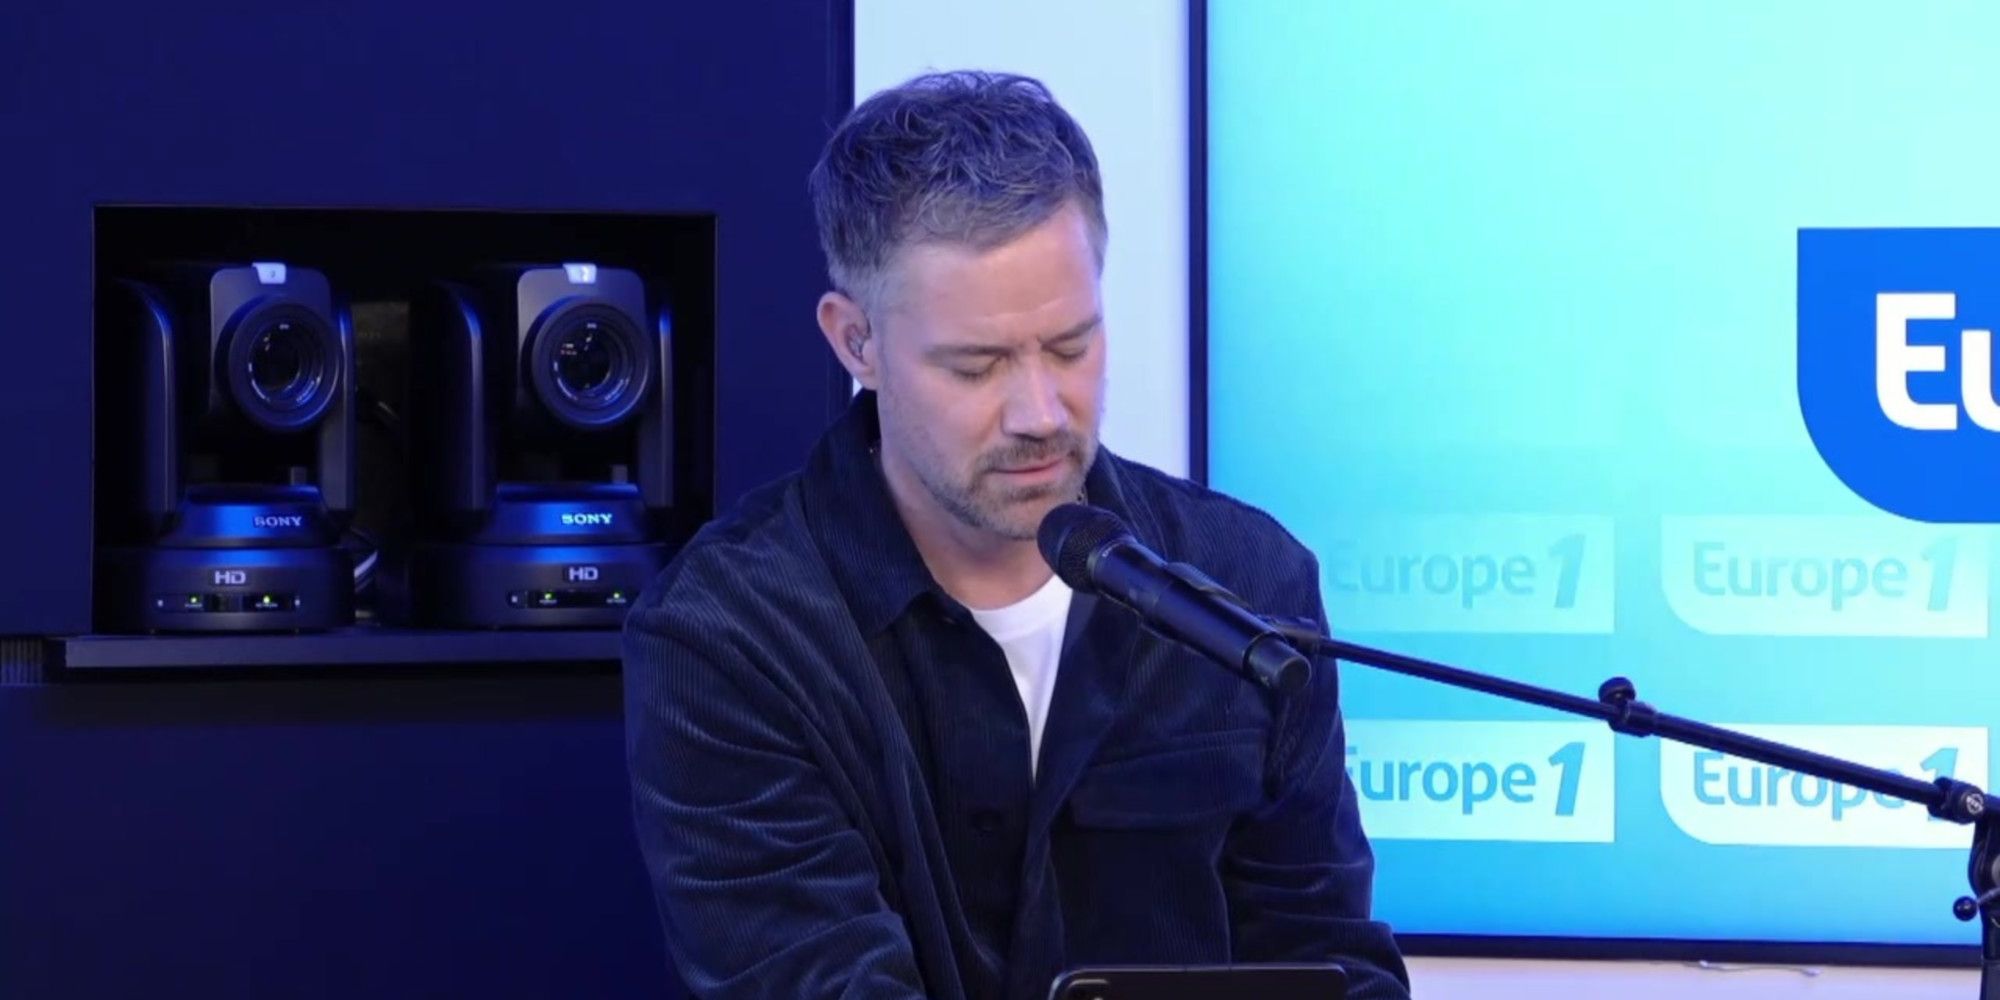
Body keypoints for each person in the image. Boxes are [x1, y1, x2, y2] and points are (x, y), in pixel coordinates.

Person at [621, 70, 1411, 1000]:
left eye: (1071, 347)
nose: (1040, 413)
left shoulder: (1247, 581)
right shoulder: (730, 636)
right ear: (855, 342)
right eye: (977, 365)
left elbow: (1328, 962)